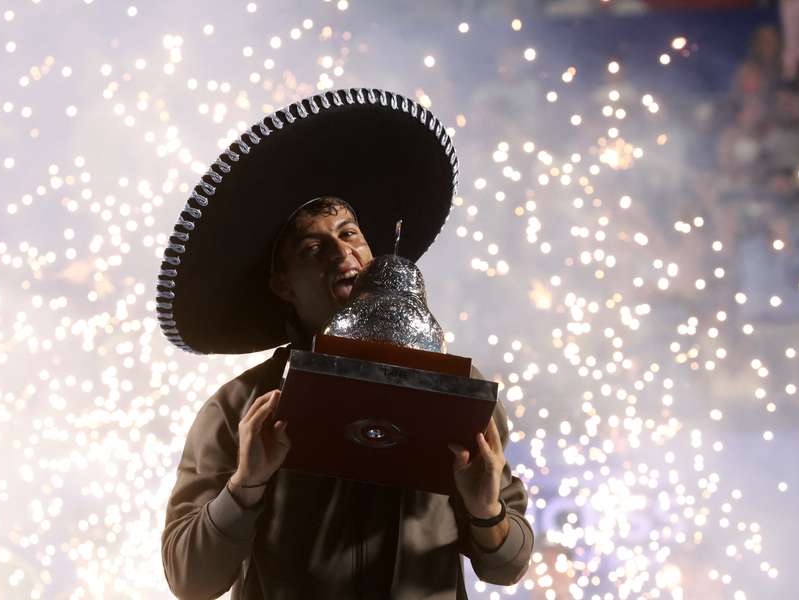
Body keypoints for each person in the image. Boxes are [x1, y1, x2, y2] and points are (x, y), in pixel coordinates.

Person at [155, 88, 534, 599]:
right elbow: (189, 579)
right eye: (314, 247)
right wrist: (245, 485)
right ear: (283, 285)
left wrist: (485, 509)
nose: (342, 253)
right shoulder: (240, 408)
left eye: (350, 233)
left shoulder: (458, 390)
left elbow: (509, 566)